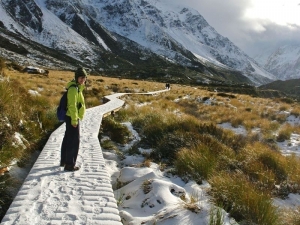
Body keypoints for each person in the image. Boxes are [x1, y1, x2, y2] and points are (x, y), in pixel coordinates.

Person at [60, 67, 87, 171]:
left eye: (84, 78)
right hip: (72, 117)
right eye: (81, 77)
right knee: (73, 141)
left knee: (68, 139)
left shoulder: (77, 87)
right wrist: (74, 120)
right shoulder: (73, 89)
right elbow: (72, 106)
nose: (82, 80)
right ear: (76, 77)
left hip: (71, 116)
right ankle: (70, 164)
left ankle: (64, 161)